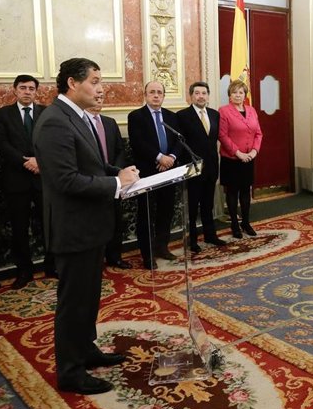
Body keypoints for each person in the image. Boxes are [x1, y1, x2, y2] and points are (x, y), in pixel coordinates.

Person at [33, 57, 139, 395]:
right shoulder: (54, 122)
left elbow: (92, 164)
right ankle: (70, 371)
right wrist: (115, 185)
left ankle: (86, 349)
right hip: (73, 229)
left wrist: (117, 174)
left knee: (89, 298)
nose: (101, 87)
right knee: (74, 303)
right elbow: (66, 180)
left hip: (91, 227)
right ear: (72, 84)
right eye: (94, 80)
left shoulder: (77, 117)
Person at [0, 75, 56, 289]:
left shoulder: (47, 113)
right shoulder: (2, 115)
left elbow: (54, 141)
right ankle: (24, 271)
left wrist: (40, 161)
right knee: (19, 228)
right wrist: (26, 162)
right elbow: (1, 145)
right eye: (23, 88)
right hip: (16, 179)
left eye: (31, 88)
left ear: (36, 91)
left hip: (43, 178)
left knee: (49, 224)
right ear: (15, 90)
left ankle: (52, 266)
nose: (27, 91)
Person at [128, 81, 181, 269]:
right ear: (145, 95)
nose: (156, 95)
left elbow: (178, 140)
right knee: (147, 214)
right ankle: (148, 254)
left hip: (169, 172)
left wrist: (171, 158)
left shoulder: (171, 117)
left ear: (164, 96)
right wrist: (159, 157)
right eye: (152, 92)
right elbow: (137, 142)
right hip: (148, 173)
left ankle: (162, 247)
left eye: (159, 92)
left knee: (166, 212)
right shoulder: (136, 116)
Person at [177, 81, 226, 252]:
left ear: (208, 95)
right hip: (193, 167)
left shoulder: (214, 114)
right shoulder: (182, 116)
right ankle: (193, 240)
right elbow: (181, 144)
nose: (201, 96)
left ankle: (210, 235)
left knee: (208, 204)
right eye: (197, 93)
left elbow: (213, 141)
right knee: (192, 206)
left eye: (204, 93)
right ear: (191, 96)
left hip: (211, 166)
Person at [85, 98, 132, 269]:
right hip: (93, 181)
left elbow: (120, 149)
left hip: (114, 180)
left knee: (116, 221)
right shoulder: (82, 123)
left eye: (100, 99)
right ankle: (95, 261)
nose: (97, 102)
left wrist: (117, 171)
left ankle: (115, 257)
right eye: (95, 98)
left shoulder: (109, 122)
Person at [219, 80, 264, 235]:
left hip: (249, 158)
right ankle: (234, 224)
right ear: (229, 95)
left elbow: (258, 134)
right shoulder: (223, 111)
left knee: (246, 191)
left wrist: (253, 152)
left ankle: (246, 222)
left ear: (245, 95)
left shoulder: (252, 110)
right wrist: (238, 153)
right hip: (231, 159)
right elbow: (222, 136)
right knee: (232, 192)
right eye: (234, 92)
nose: (238, 95)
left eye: (241, 92)